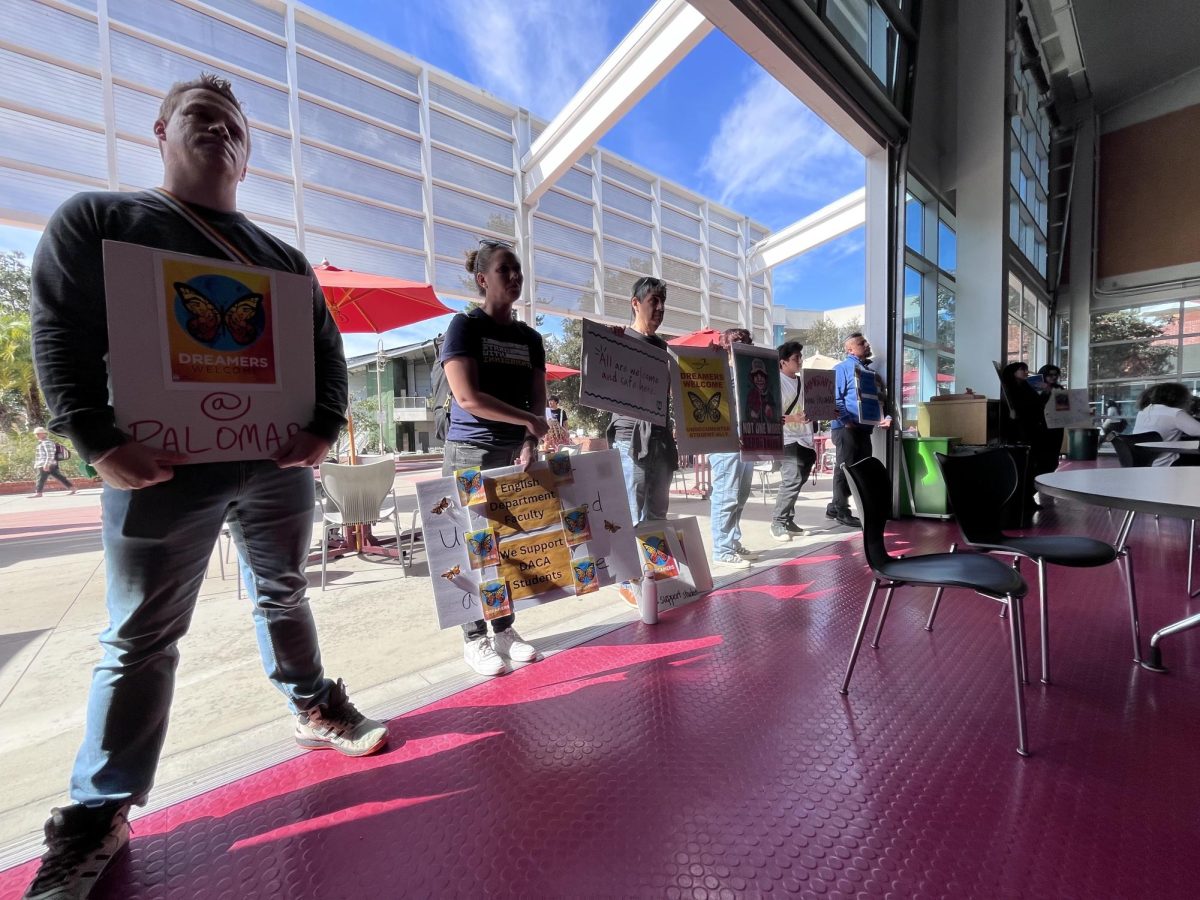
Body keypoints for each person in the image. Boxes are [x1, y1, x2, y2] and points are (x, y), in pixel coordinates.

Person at [25, 73, 387, 900]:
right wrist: (93, 438)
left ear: (248, 153)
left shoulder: (281, 260)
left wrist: (325, 424)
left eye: (232, 124)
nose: (219, 130)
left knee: (284, 591)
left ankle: (314, 706)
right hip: (158, 468)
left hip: (274, 465)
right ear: (160, 130)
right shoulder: (100, 220)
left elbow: (323, 352)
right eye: (200, 116)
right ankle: (98, 809)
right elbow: (60, 329)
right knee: (140, 635)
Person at [441, 239, 548, 676]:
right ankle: (474, 637)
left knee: (504, 545)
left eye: (518, 269)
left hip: (511, 453)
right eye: (505, 270)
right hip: (470, 452)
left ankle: (503, 628)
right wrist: (527, 420)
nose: (514, 277)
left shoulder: (531, 338)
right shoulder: (464, 327)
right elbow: (467, 397)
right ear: (483, 279)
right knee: (473, 547)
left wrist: (530, 439)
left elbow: (538, 406)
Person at [606, 277, 677, 524]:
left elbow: (674, 393)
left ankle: (655, 563)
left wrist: (708, 361)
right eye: (653, 301)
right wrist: (613, 343)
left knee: (658, 516)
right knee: (630, 516)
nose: (660, 308)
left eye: (663, 302)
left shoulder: (666, 350)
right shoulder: (618, 339)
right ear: (635, 303)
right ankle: (633, 563)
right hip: (630, 440)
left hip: (661, 439)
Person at [708, 328, 760, 569]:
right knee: (726, 494)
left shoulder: (746, 374)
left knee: (740, 494)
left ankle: (732, 540)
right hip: (725, 440)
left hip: (745, 436)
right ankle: (722, 548)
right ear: (729, 347)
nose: (746, 347)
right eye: (742, 343)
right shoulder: (719, 370)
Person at [828, 333, 890, 528]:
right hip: (846, 428)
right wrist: (846, 421)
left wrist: (885, 418)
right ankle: (841, 511)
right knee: (845, 468)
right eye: (861, 343)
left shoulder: (870, 374)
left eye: (866, 342)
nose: (866, 344)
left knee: (859, 468)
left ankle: (834, 506)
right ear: (850, 349)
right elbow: (835, 399)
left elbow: (880, 401)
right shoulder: (841, 369)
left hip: (863, 429)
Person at [770, 342, 815, 542]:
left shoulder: (803, 382)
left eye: (800, 357)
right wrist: (793, 419)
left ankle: (788, 521)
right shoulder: (776, 382)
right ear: (783, 362)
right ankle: (777, 523)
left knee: (798, 481)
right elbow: (769, 414)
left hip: (806, 438)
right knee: (792, 480)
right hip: (787, 438)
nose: (800, 361)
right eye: (796, 358)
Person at [999, 361, 1048, 514]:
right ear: (1013, 372)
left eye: (1026, 370)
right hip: (1018, 433)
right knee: (1022, 468)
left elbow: (1038, 405)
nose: (1026, 372)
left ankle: (1028, 498)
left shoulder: (1027, 387)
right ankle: (1021, 500)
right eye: (1022, 369)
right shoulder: (1008, 389)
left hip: (1032, 431)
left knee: (1031, 467)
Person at [1132, 382, 1200, 467]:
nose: (1189, 401)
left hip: (1144, 463)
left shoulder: (1144, 411)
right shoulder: (1175, 413)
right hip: (1166, 464)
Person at [1035, 364, 1065, 481]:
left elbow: (1063, 408)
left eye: (1055, 375)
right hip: (1040, 428)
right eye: (1050, 375)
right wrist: (1045, 392)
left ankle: (1047, 479)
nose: (1053, 377)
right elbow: (1036, 407)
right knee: (1041, 457)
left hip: (1056, 427)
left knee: (1053, 458)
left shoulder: (1059, 389)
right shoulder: (1035, 388)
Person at [30, 426, 76, 497]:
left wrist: (46, 464)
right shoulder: (43, 442)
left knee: (40, 478)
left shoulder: (47, 443)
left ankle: (38, 493)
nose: (37, 435)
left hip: (46, 464)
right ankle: (72, 488)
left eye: (38, 434)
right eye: (36, 434)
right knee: (58, 477)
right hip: (49, 464)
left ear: (43, 434)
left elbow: (50, 454)